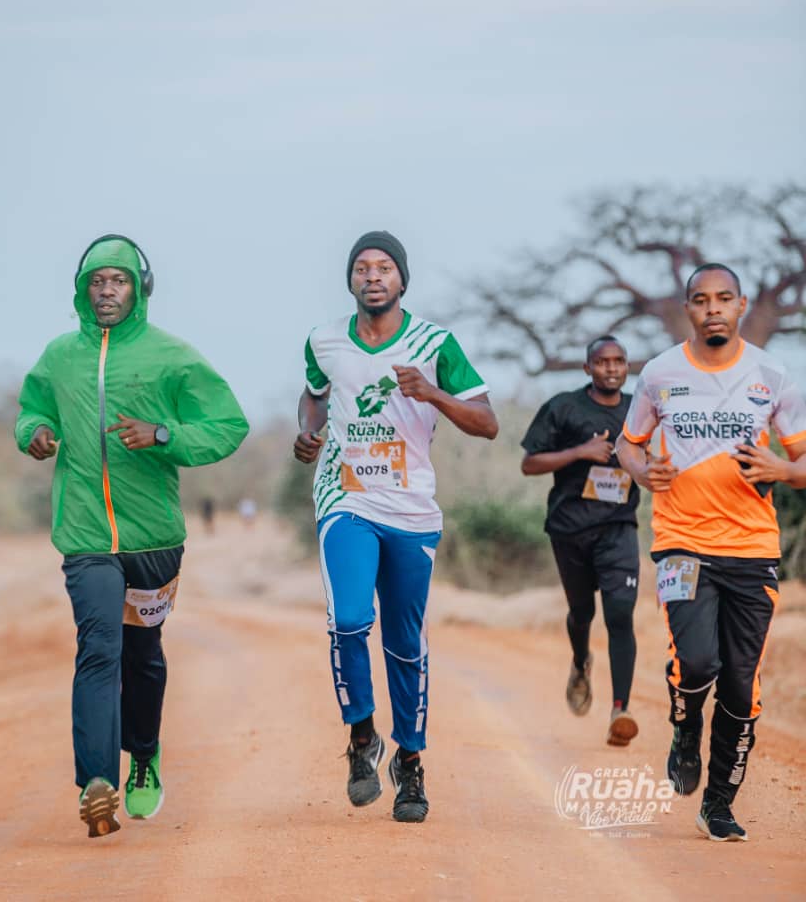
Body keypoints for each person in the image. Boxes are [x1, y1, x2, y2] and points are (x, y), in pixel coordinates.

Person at [15, 235, 249, 839]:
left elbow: (228, 425)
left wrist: (165, 435)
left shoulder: (172, 356)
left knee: (143, 656)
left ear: (139, 287)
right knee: (100, 648)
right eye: (97, 282)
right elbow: (31, 408)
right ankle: (97, 782)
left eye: (118, 281)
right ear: (81, 290)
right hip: (86, 534)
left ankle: (143, 754)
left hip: (153, 539)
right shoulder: (60, 355)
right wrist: (34, 431)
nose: (107, 291)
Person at [293, 230, 498, 823]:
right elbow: (313, 397)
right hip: (345, 499)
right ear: (350, 280)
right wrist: (309, 433)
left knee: (405, 646)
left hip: (411, 509)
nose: (373, 276)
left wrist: (431, 393)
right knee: (349, 618)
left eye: (385, 268)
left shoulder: (435, 343)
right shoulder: (323, 340)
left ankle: (410, 763)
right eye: (363, 267)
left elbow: (486, 423)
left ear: (402, 280)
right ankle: (362, 738)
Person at [615, 263, 806, 842]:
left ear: (742, 305)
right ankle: (684, 724)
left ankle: (718, 803)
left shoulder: (773, 376)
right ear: (688, 309)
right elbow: (628, 444)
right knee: (697, 662)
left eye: (725, 298)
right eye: (701, 300)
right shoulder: (659, 373)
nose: (713, 308)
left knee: (741, 685)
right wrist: (645, 472)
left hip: (752, 547)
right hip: (680, 543)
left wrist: (783, 469)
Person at [521, 336, 641, 747]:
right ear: (587, 368)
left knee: (620, 614)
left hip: (619, 527)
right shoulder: (563, 407)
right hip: (570, 528)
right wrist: (580, 451)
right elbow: (530, 463)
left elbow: (660, 451)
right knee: (581, 613)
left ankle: (620, 710)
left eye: (619, 361)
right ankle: (580, 661)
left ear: (628, 367)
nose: (612, 368)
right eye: (602, 362)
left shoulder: (638, 409)